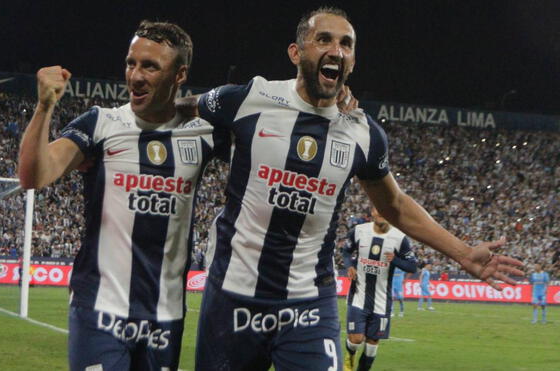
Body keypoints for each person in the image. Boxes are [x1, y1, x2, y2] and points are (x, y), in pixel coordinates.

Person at [183, 6, 524, 371]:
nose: (337, 50)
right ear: (296, 53)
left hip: (309, 302)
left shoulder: (363, 133)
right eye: (324, 39)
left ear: (353, 61)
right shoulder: (249, 99)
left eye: (346, 43)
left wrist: (462, 253)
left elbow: (393, 204)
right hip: (233, 296)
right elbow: (176, 112)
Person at [18, 20, 219, 371]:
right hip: (99, 308)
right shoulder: (101, 123)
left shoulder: (203, 133)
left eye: (150, 66)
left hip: (165, 315)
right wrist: (44, 107)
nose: (136, 76)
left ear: (179, 74)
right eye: (131, 63)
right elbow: (34, 175)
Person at [342, 207, 417, 371]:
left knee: (372, 344)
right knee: (355, 339)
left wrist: (395, 260)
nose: (382, 212)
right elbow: (346, 252)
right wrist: (349, 266)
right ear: (372, 212)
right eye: (378, 208)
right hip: (358, 295)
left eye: (385, 209)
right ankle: (349, 357)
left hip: (382, 301)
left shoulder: (399, 238)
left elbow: (412, 266)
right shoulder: (359, 231)